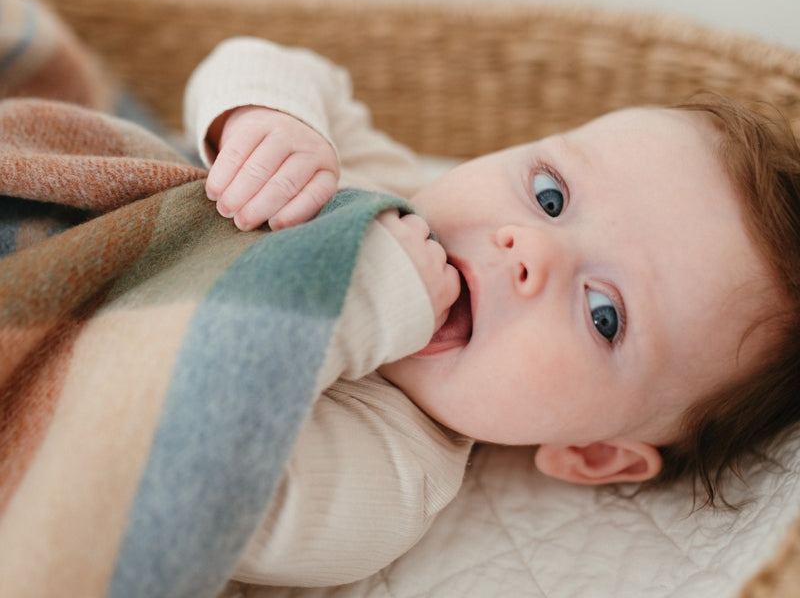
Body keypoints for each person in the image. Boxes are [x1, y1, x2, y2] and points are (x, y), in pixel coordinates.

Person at [184, 36, 800, 588]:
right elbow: (263, 64)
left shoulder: (387, 478)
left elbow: (196, 478)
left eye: (603, 314)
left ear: (594, 453)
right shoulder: (377, 179)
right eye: (549, 195)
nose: (531, 248)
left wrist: (360, 300)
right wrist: (272, 122)